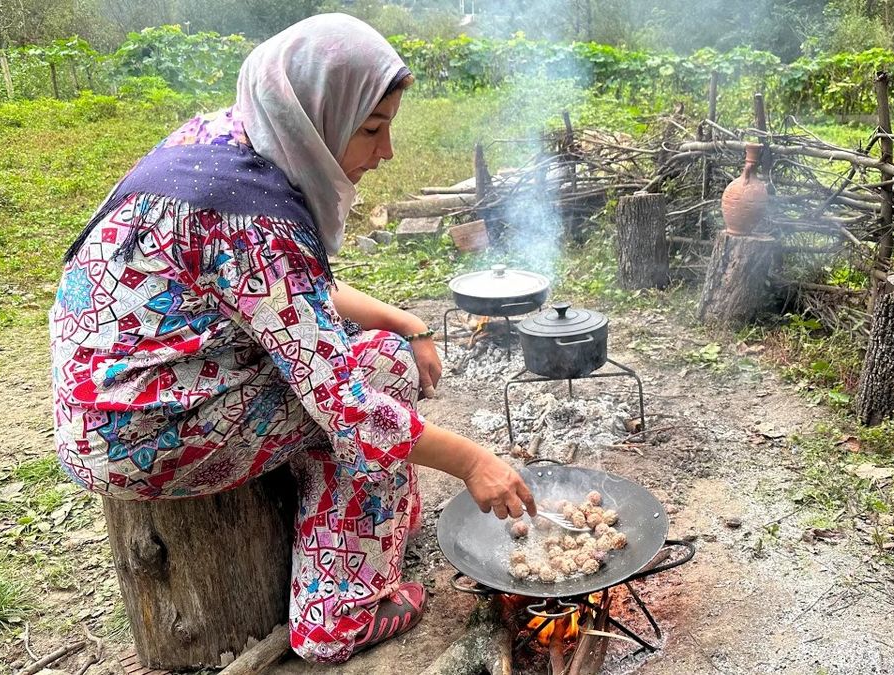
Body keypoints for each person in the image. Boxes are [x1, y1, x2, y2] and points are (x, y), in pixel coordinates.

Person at [49, 14, 536, 664]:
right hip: (146, 434)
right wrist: (476, 461)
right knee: (379, 380)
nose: (386, 151)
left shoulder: (228, 141)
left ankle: (361, 521)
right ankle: (340, 612)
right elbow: (353, 409)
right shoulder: (254, 216)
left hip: (104, 401)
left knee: (365, 358)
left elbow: (285, 297)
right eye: (372, 128)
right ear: (317, 114)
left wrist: (407, 319)